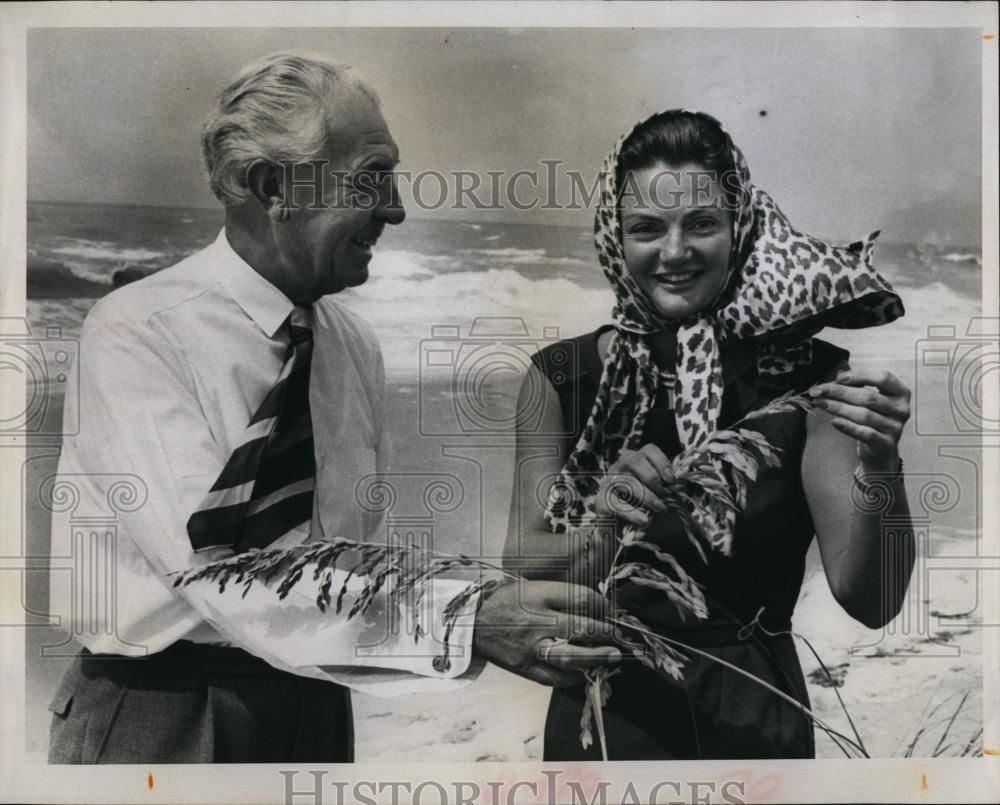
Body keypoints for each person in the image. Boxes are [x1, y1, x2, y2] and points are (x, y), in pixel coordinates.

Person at [45, 52, 620, 764]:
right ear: (272, 186)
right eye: (371, 178)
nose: (397, 209)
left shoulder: (351, 345)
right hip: (167, 711)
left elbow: (341, 556)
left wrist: (487, 594)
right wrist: (466, 618)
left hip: (315, 703)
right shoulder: (135, 331)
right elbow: (221, 570)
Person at [504, 110, 915, 760]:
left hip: (755, 721)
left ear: (740, 225)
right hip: (608, 719)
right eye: (646, 228)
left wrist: (883, 467)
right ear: (616, 236)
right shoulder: (560, 377)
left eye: (701, 223)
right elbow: (522, 569)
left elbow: (873, 601)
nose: (673, 252)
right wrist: (605, 519)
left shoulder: (812, 380)